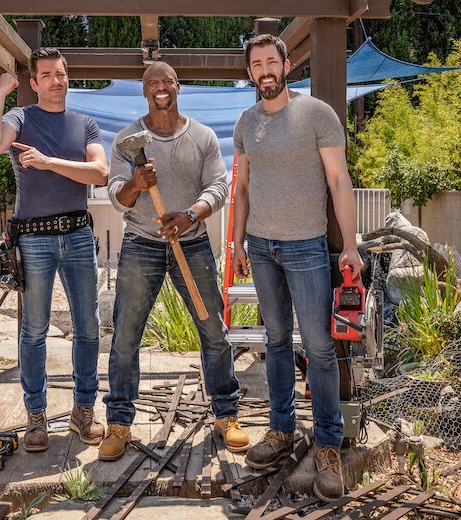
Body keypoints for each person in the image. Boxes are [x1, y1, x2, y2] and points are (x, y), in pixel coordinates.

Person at [231, 34, 364, 501]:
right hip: (261, 247)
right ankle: (282, 431)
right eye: (257, 65)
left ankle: (328, 445)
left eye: (272, 62)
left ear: (286, 65)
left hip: (307, 246)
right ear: (250, 72)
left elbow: (339, 181)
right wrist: (237, 242)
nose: (265, 70)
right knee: (275, 341)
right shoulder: (246, 123)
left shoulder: (316, 115)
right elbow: (241, 187)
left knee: (321, 347)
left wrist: (349, 244)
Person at [98, 62, 249, 461]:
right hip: (141, 243)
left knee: (213, 330)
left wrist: (190, 215)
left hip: (193, 243)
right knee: (126, 336)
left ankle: (226, 415)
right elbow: (117, 194)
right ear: (144, 91)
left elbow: (219, 185)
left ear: (177, 86)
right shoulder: (129, 139)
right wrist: (135, 183)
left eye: (166, 81)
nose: (159, 87)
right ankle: (119, 423)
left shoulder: (201, 136)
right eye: (151, 83)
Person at [0, 48, 108, 452]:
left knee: (87, 327)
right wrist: (1, 90)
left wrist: (49, 162)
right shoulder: (22, 118)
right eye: (47, 74)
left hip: (78, 233)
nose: (56, 80)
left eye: (61, 73)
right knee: (33, 331)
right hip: (32, 238)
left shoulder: (84, 123)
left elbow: (100, 174)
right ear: (34, 83)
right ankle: (36, 418)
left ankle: (83, 411)